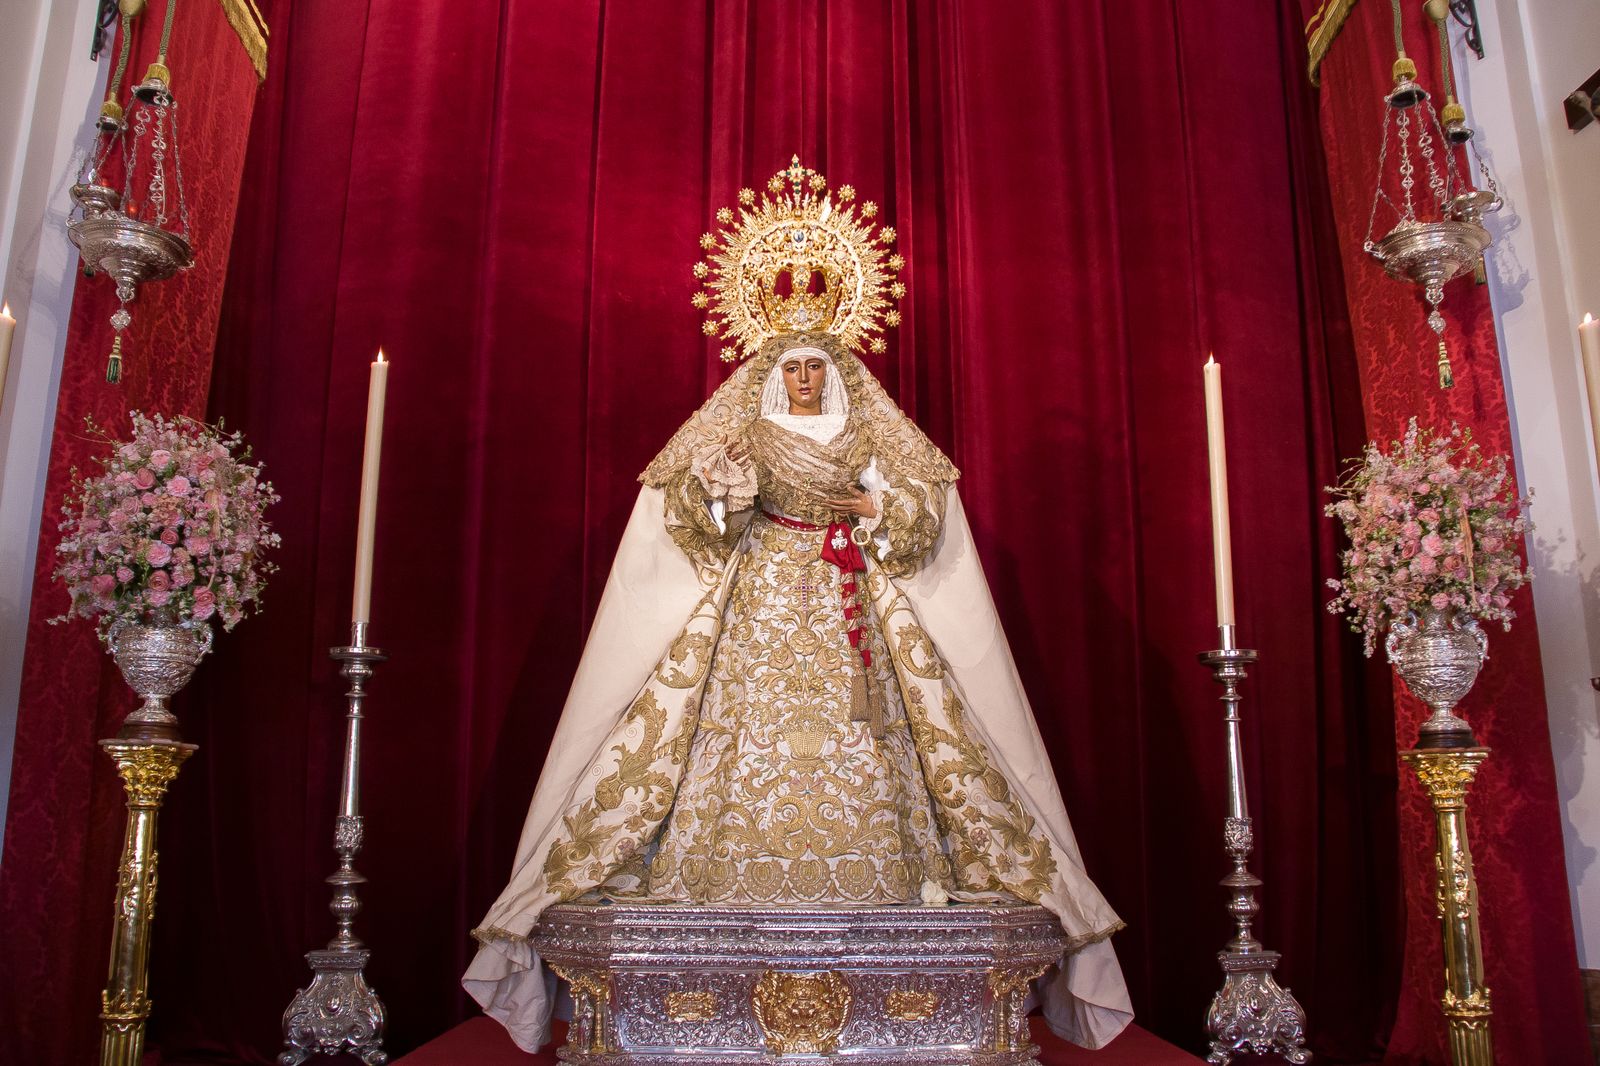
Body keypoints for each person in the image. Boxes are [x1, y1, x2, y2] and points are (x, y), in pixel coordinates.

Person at [464, 160, 1131, 1052]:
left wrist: (876, 508)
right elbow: (688, 512)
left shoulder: (866, 427)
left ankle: (891, 874)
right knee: (727, 724)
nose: (808, 378)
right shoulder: (743, 427)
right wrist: (721, 495)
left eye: (819, 366)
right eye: (795, 367)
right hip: (761, 595)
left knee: (886, 728)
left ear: (836, 369)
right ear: (773, 372)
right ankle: (719, 873)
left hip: (849, 594)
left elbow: (920, 505)